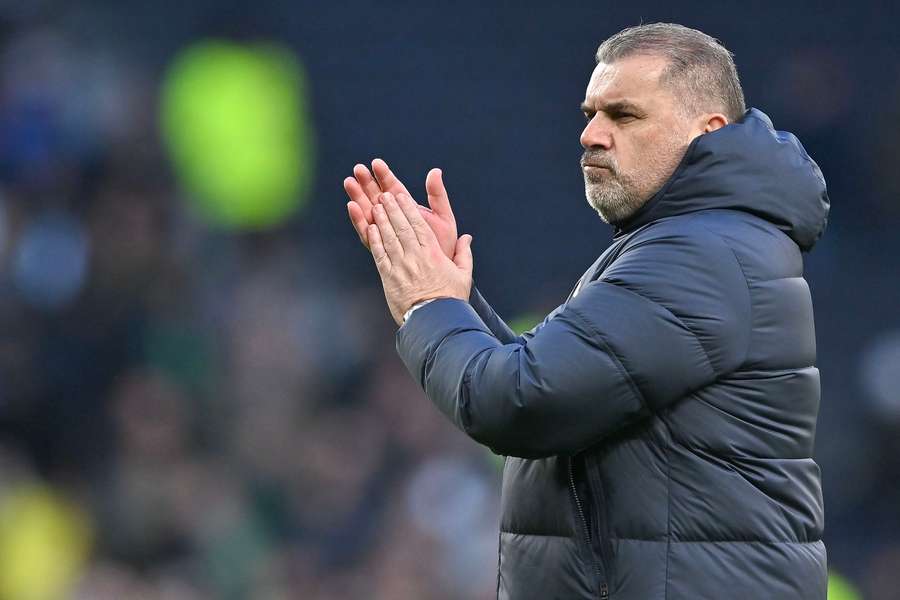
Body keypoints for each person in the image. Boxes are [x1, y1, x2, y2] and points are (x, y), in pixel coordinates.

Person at [344, 23, 829, 600]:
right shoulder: (698, 245)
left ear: (708, 131)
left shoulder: (702, 256)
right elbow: (560, 391)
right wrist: (456, 297)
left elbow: (520, 402)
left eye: (623, 116)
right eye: (590, 113)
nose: (592, 134)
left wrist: (428, 304)